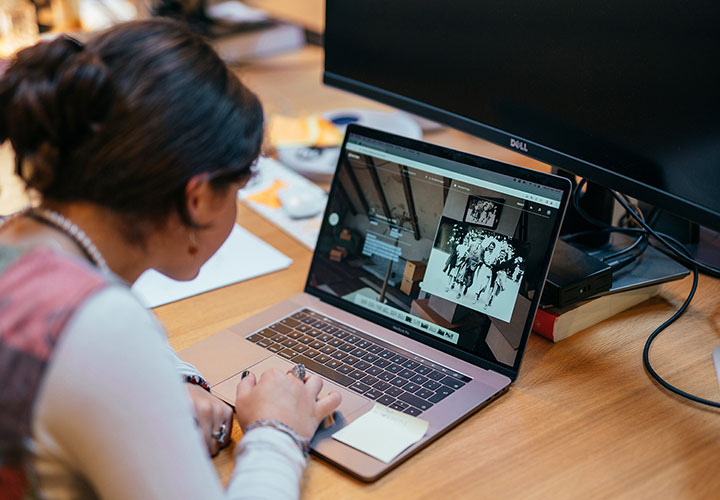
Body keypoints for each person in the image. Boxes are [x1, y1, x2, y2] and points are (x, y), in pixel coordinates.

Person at [0, 19, 340, 500]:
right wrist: (277, 430)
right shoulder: (101, 328)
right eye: (238, 189)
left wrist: (166, 378)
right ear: (197, 198)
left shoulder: (19, 238)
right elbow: (100, 341)